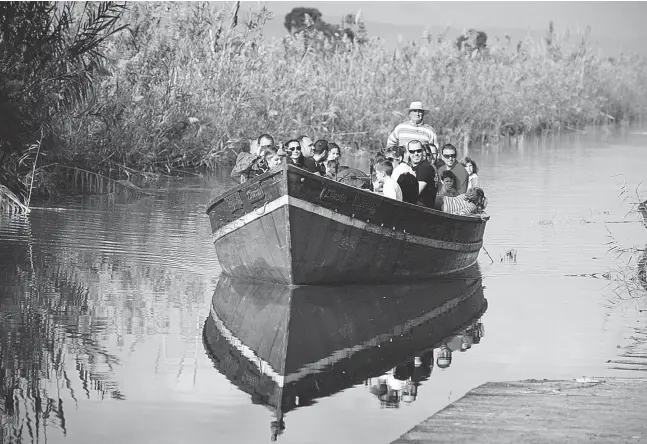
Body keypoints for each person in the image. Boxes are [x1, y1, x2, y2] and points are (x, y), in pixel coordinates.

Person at [408, 140, 437, 208]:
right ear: (408, 153)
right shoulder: (410, 167)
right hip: (413, 207)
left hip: (422, 210)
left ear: (423, 151)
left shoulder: (425, 167)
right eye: (412, 151)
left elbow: (415, 193)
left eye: (418, 151)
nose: (416, 154)